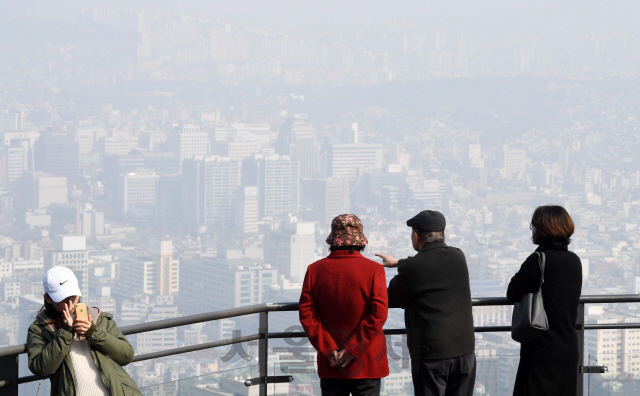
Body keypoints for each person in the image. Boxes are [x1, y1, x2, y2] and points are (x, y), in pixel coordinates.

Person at [377, 210, 476, 396]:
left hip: (432, 354)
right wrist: (399, 262)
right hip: (465, 350)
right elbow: (431, 263)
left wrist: (400, 265)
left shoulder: (412, 268)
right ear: (443, 234)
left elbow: (390, 298)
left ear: (416, 236)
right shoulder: (458, 256)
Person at [299, 214, 389, 396]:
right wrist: (352, 350)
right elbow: (379, 314)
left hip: (331, 362)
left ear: (334, 239)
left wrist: (330, 350)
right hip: (367, 360)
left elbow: (307, 314)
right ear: (360, 240)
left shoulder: (314, 270)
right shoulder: (374, 270)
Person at [26, 266, 141, 396]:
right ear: (48, 298)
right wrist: (66, 332)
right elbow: (41, 368)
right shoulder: (40, 329)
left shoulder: (99, 318)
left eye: (73, 296)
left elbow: (126, 355)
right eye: (63, 298)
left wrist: (94, 333)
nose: (70, 302)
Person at [507, 205, 582, 396]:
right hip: (569, 347)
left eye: (534, 226)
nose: (532, 230)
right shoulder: (575, 260)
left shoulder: (538, 260)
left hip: (541, 350)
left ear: (544, 229)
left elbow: (512, 291)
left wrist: (526, 294)